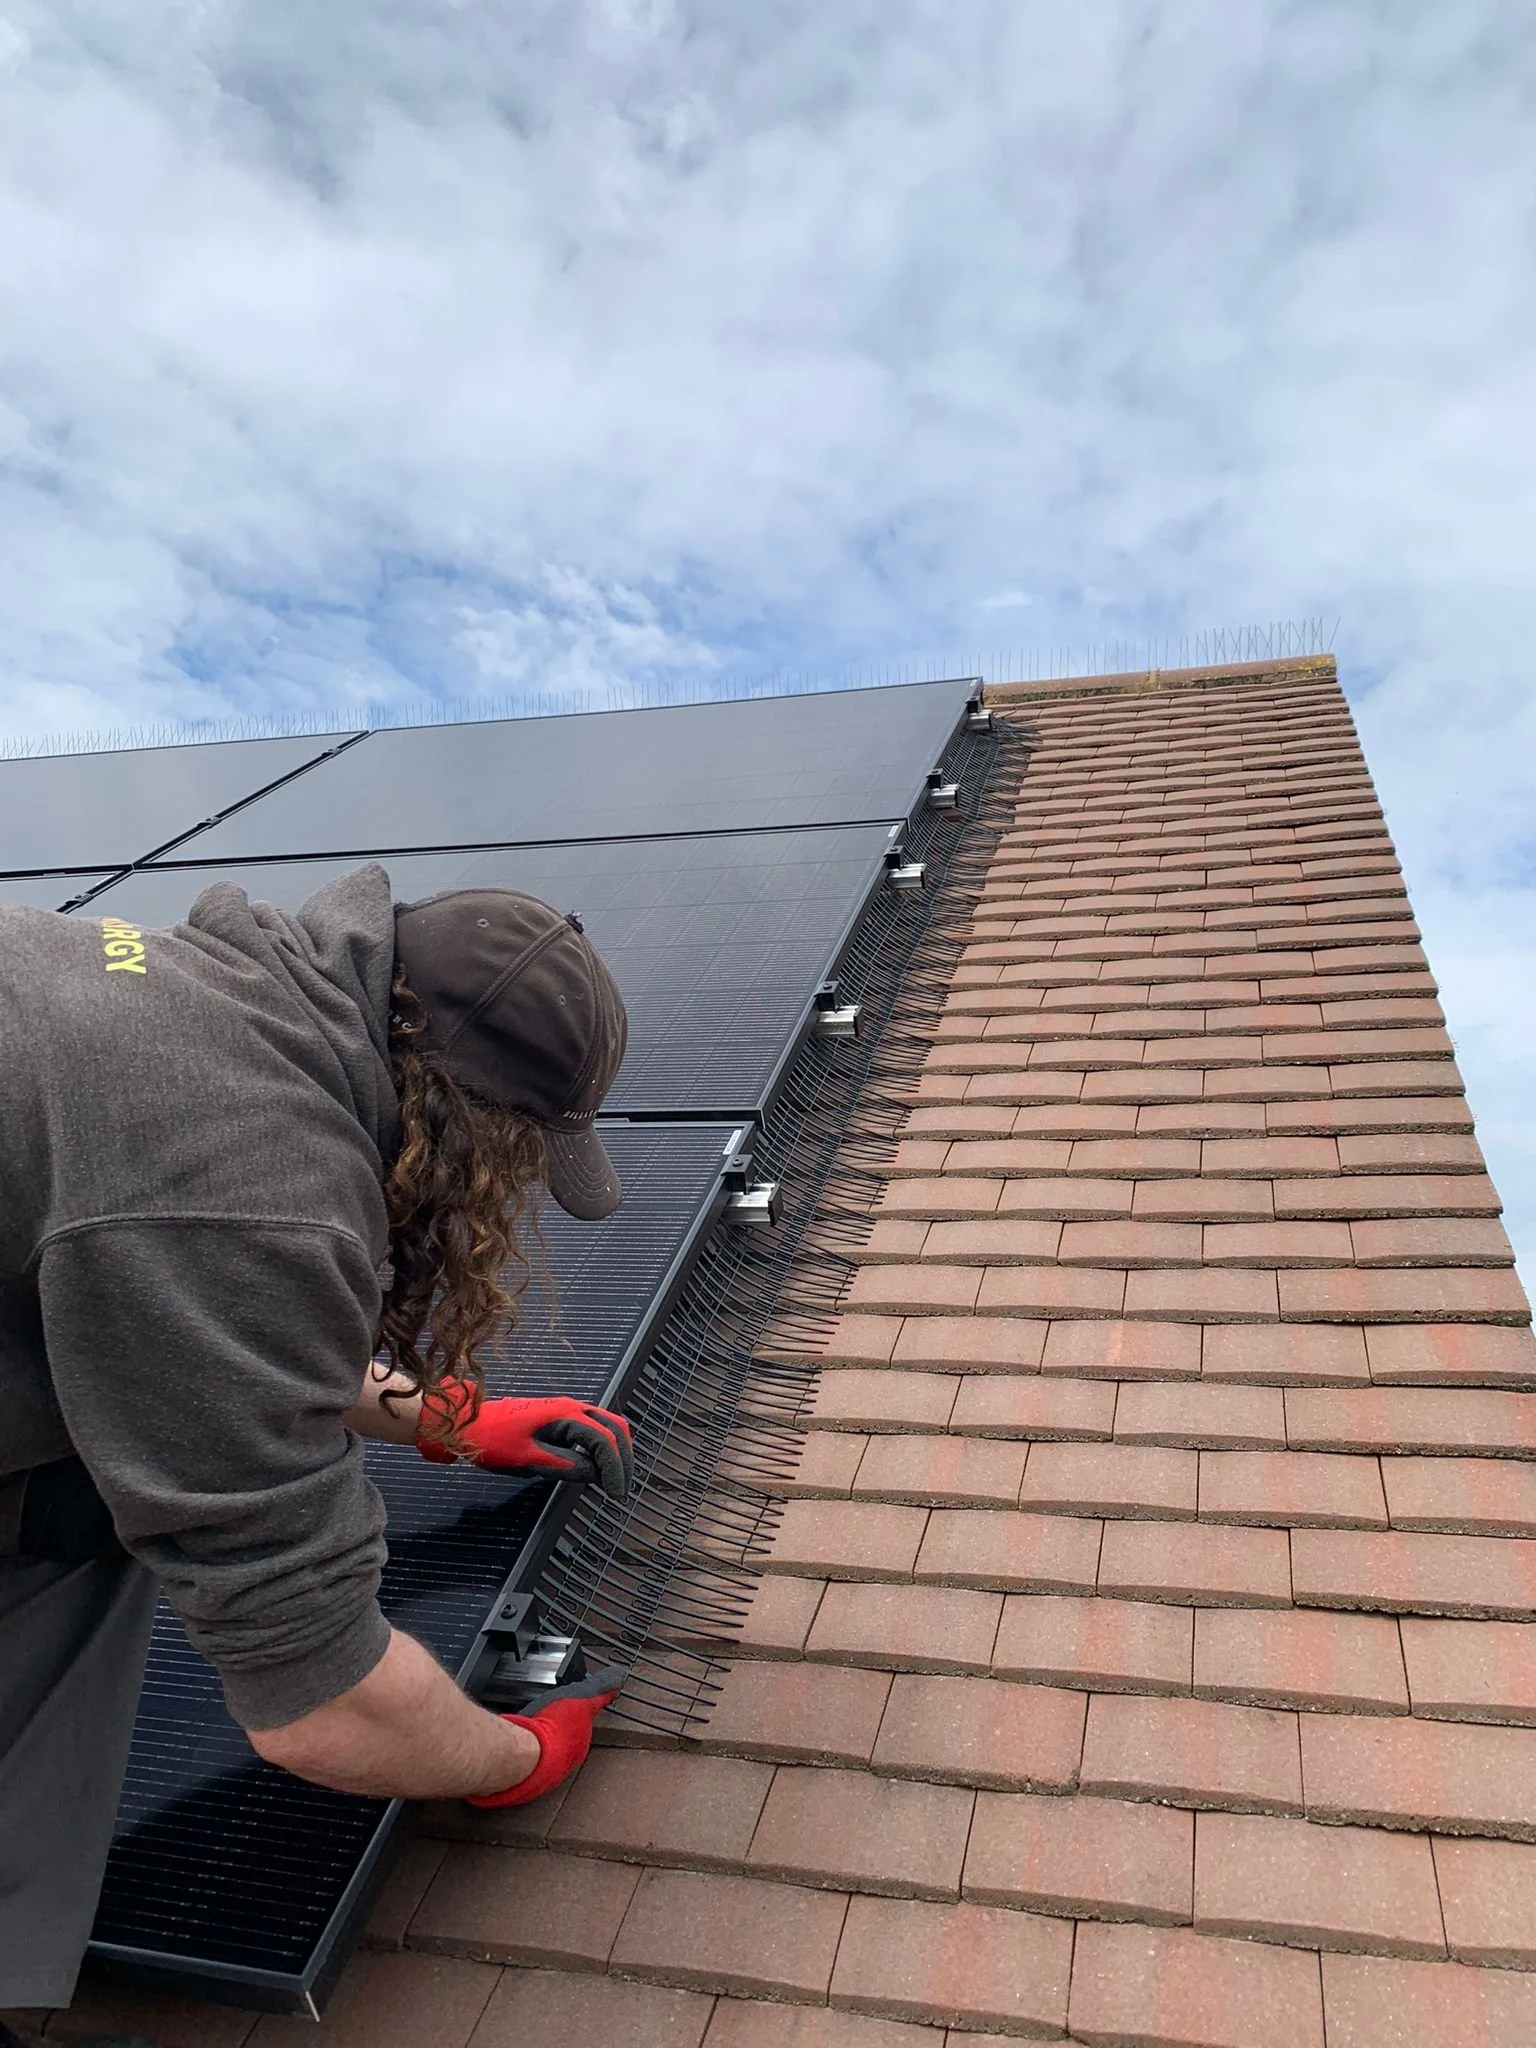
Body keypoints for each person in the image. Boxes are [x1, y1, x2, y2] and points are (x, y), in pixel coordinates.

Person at [0, 863, 634, 2019]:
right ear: (465, 1124)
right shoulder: (247, 1179)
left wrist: (450, 1419)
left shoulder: (202, 1004)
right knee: (102, 1512)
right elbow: (320, 1703)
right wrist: (513, 1758)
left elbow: (190, 1300)